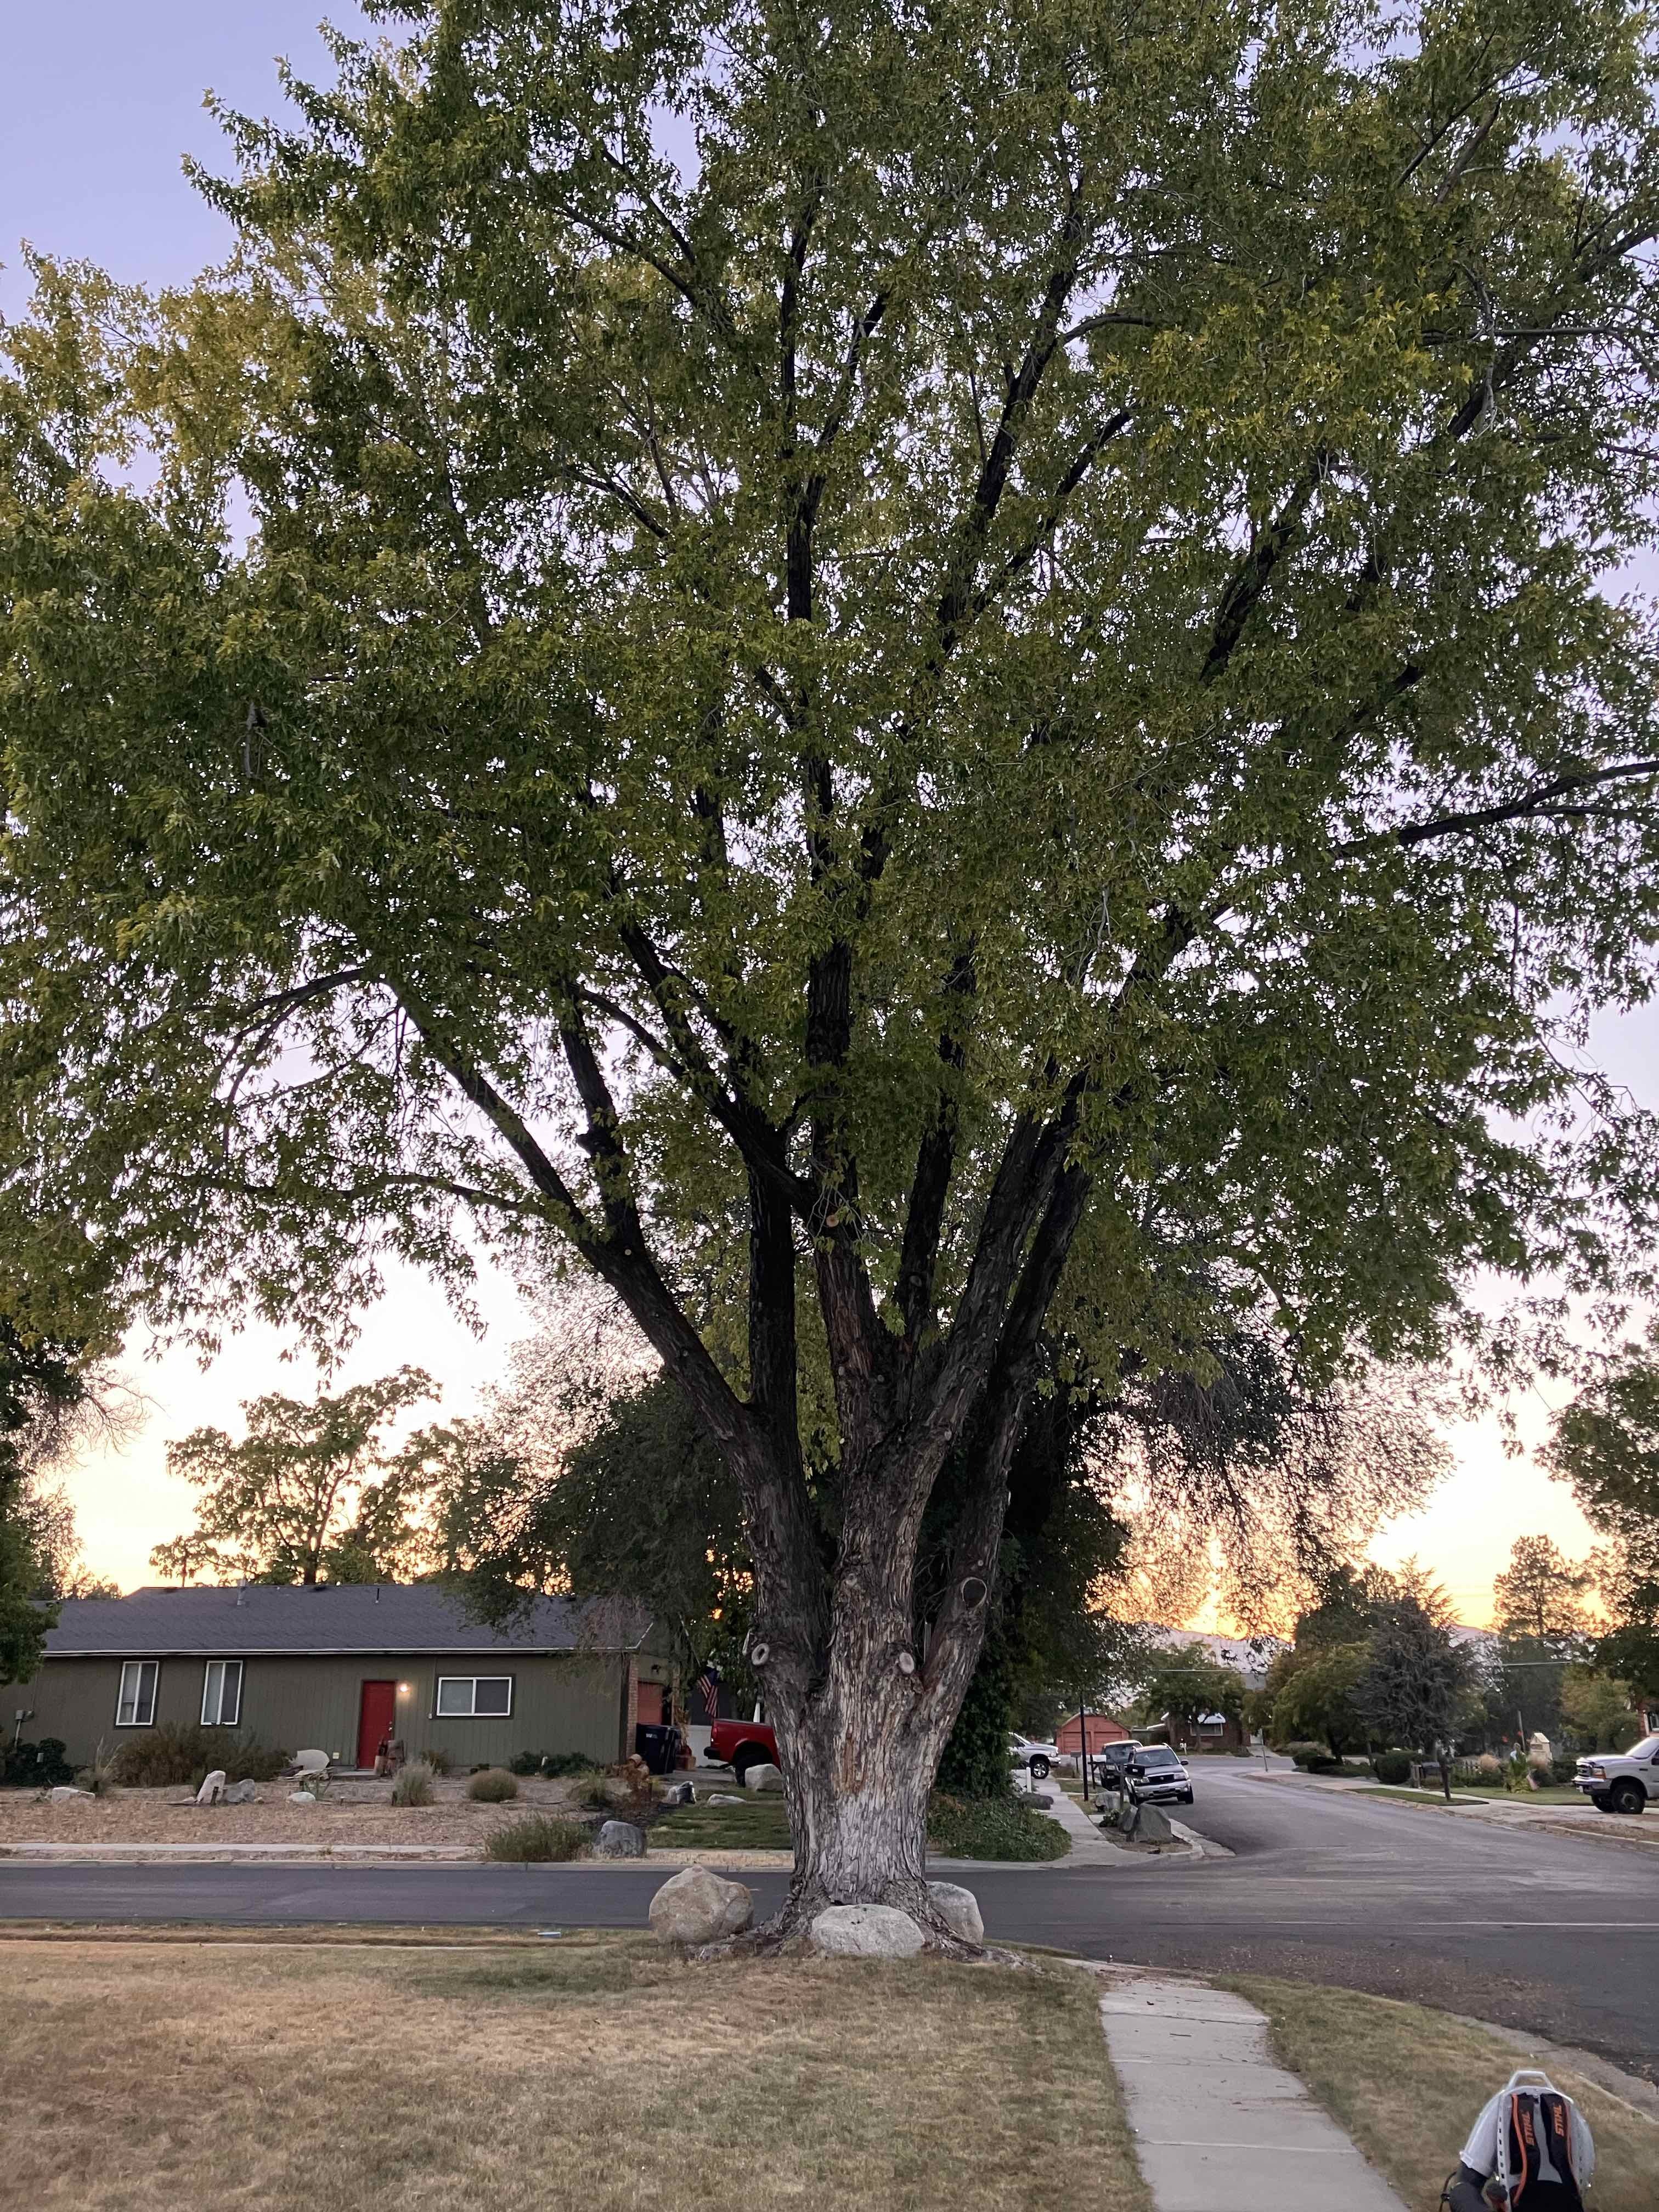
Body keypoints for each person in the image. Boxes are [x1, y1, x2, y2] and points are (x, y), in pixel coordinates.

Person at [1443, 2070, 1593, 2210]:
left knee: (1460, 2193)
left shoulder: (1501, 2108)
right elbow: (1582, 2179)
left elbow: (1469, 2178)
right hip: (1566, 2201)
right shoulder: (1571, 2118)